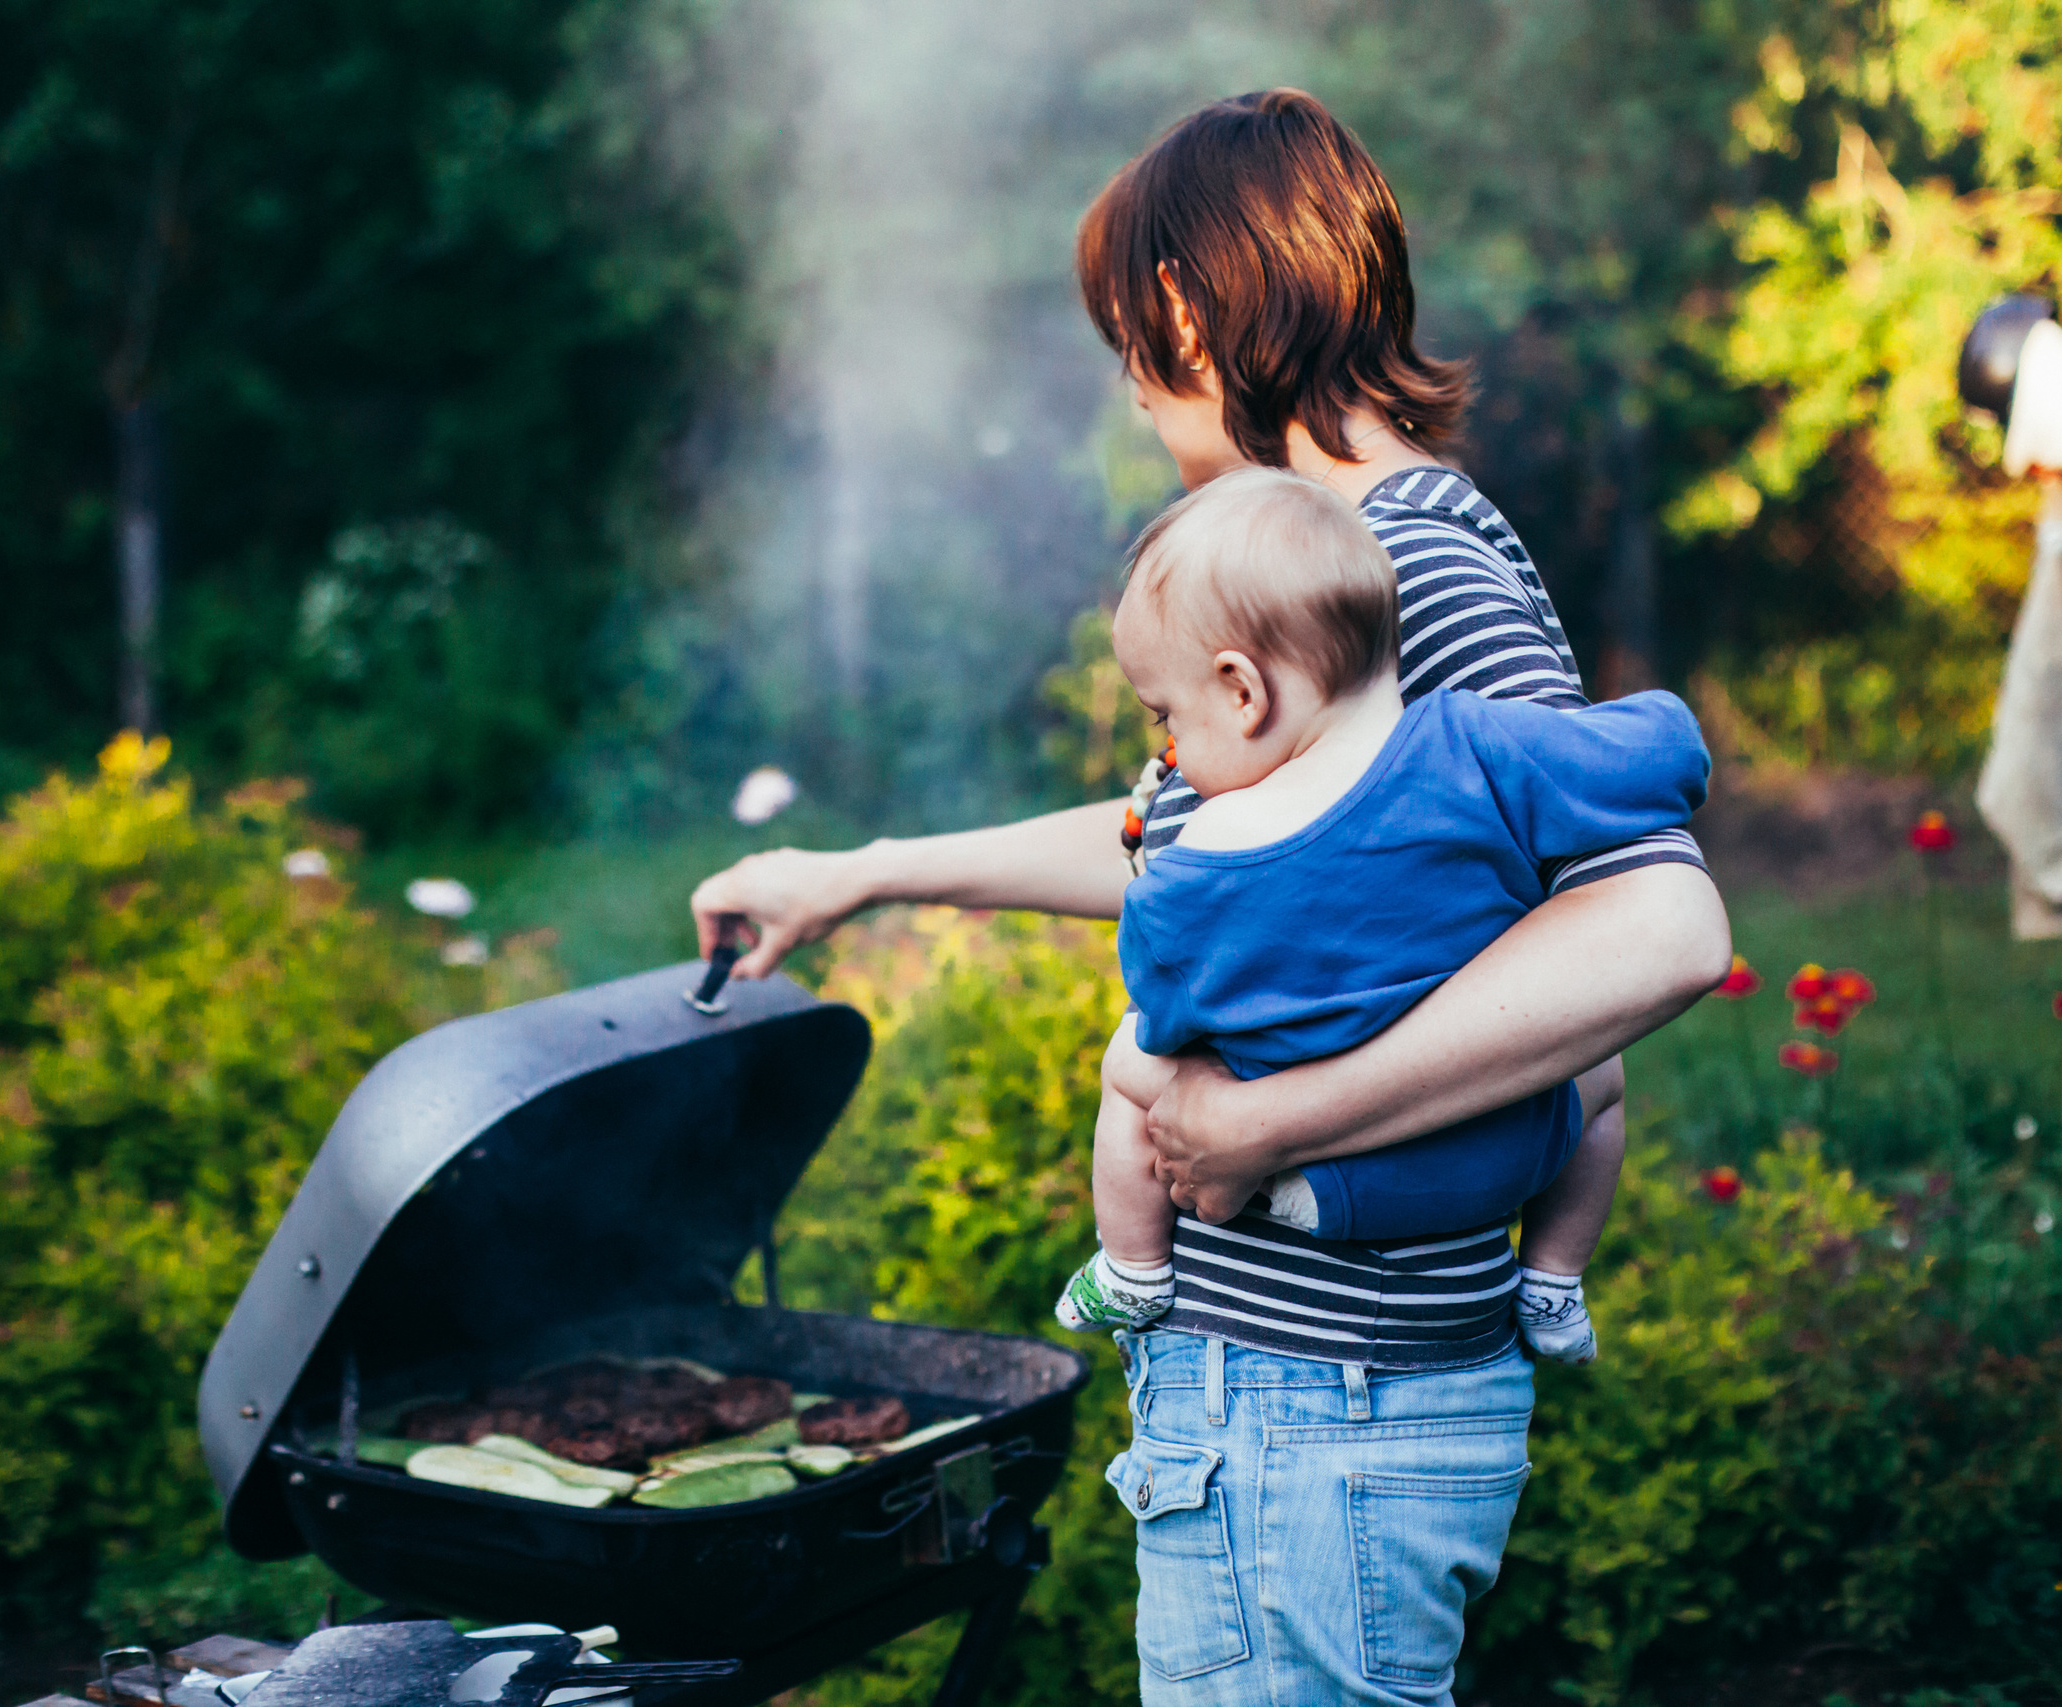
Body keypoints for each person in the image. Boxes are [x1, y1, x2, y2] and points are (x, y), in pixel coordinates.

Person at [690, 88, 1729, 1706]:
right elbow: (1198, 846)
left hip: (1331, 1398)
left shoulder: (1416, 563)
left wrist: (1279, 1123)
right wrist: (868, 875)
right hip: (1299, 1394)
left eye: (1130, 330)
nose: (1129, 379)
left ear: (1192, 305)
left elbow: (1661, 926)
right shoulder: (1325, 566)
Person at [1051, 466, 1711, 1375]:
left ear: (1243, 692)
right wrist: (1676, 743)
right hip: (1497, 1169)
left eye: (1169, 719)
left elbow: (1167, 1006)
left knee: (1131, 1066)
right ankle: (1554, 1279)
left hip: (1310, 1188)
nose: (1172, 751)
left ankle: (1130, 1267)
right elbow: (1652, 755)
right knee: (1602, 1070)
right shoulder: (1477, 742)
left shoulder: (1206, 858)